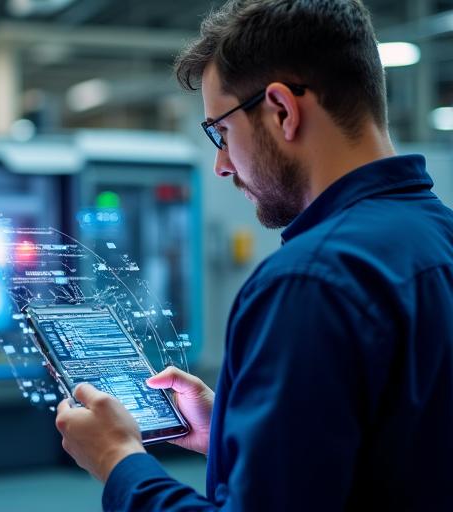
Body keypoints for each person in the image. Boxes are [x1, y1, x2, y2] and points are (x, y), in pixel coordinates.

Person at [54, 0, 453, 510]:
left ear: (282, 110)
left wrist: (117, 460)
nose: (221, 164)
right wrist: (231, 425)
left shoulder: (308, 282)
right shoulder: (437, 235)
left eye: (220, 132)